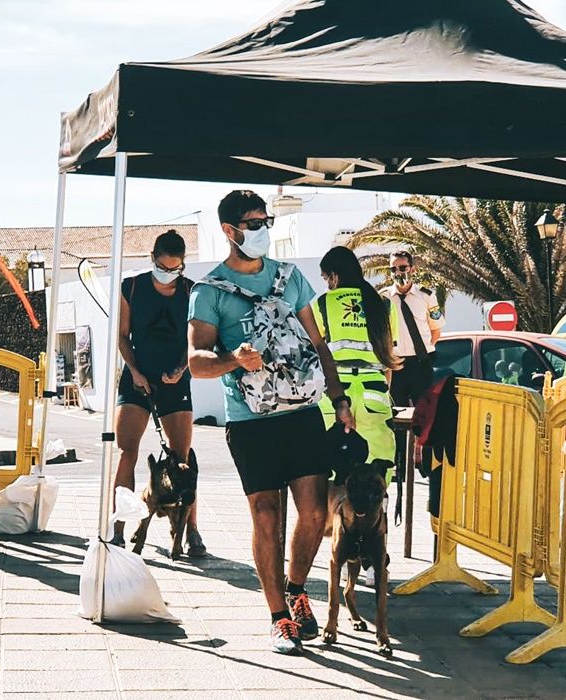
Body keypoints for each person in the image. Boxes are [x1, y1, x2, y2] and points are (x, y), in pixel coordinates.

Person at [188, 190, 354, 655]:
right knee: (266, 515)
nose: (262, 229)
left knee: (316, 513)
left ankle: (297, 587)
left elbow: (319, 345)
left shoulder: (290, 278)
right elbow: (196, 362)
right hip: (250, 420)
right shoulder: (210, 292)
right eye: (253, 222)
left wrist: (339, 400)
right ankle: (279, 615)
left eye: (266, 220)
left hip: (301, 411)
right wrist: (233, 359)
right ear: (229, 230)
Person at [112, 229, 205, 556]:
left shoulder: (191, 291)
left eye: (176, 268)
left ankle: (190, 529)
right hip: (137, 377)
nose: (170, 274)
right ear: (153, 260)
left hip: (175, 380)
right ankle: (118, 527)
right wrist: (135, 371)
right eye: (164, 267)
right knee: (127, 452)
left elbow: (195, 342)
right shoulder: (132, 287)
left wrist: (181, 368)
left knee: (183, 460)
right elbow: (123, 336)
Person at [312, 246, 399, 473]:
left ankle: (338, 508)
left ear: (334, 275)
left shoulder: (322, 304)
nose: (327, 284)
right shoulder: (384, 305)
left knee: (331, 467)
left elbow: (314, 352)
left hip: (335, 393)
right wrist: (383, 390)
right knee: (380, 465)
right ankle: (378, 506)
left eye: (325, 278)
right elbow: (390, 358)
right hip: (375, 392)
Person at [381, 250, 445, 470]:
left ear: (412, 269)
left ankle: (427, 464)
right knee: (396, 415)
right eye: (393, 269)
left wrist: (424, 352)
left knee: (425, 415)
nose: (398, 273)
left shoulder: (426, 296)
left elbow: (435, 329)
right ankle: (399, 466)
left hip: (420, 364)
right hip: (397, 364)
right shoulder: (384, 298)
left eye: (402, 268)